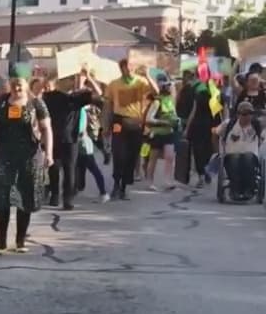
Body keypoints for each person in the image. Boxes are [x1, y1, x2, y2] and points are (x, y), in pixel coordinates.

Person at [0, 76, 53, 254]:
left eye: (20, 83)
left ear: (26, 84)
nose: (17, 87)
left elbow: (46, 130)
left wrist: (49, 153)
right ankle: (1, 243)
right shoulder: (0, 103)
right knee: (2, 198)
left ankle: (20, 242)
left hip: (29, 156)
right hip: (3, 155)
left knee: (24, 198)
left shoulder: (36, 104)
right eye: (14, 83)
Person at [41, 69, 103, 209]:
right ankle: (55, 196)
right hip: (54, 138)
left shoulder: (76, 98)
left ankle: (67, 199)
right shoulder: (51, 96)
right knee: (54, 168)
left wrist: (88, 78)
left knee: (69, 170)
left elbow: (98, 93)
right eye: (66, 80)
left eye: (70, 80)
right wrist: (52, 75)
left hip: (71, 139)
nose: (69, 82)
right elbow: (38, 92)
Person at [104, 58, 158, 200]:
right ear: (121, 68)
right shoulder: (114, 84)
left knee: (132, 156)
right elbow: (108, 106)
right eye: (126, 67)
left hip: (136, 123)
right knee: (118, 153)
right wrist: (106, 126)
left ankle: (124, 186)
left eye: (131, 67)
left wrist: (148, 75)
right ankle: (116, 184)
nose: (129, 69)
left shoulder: (141, 82)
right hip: (119, 121)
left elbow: (156, 92)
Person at [177, 70, 218, 186]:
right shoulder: (213, 90)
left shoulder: (195, 90)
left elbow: (193, 111)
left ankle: (201, 176)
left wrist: (186, 128)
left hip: (197, 124)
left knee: (197, 151)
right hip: (211, 124)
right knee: (207, 149)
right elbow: (219, 110)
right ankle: (207, 172)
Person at [142, 81, 180, 191]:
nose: (172, 89)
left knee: (170, 156)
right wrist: (163, 122)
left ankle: (168, 181)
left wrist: (176, 121)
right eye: (170, 87)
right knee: (153, 158)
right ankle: (149, 181)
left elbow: (173, 114)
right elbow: (149, 118)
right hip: (157, 133)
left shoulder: (170, 101)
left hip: (169, 133)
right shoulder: (157, 102)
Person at [221, 101, 262, 200]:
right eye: (244, 114)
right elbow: (216, 133)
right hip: (232, 153)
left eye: (250, 113)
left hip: (251, 154)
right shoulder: (229, 124)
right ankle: (235, 189)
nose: (247, 116)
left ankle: (249, 189)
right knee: (235, 158)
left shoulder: (256, 125)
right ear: (238, 114)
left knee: (247, 157)